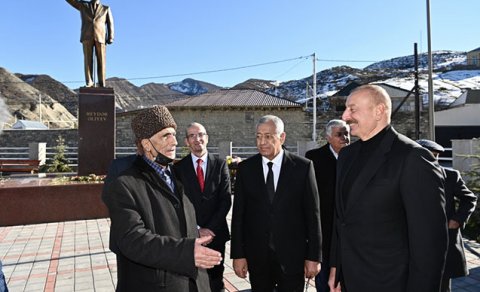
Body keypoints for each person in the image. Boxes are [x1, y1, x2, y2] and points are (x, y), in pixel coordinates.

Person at [328, 84, 448, 292]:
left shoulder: (412, 157)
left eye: (353, 109)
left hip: (392, 283)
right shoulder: (346, 156)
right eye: (346, 109)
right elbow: (341, 220)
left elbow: (430, 243)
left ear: (379, 111)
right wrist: (335, 269)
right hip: (349, 280)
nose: (346, 116)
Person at [102, 105, 221, 291]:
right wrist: (186, 252)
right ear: (147, 144)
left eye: (174, 134)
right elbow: (131, 239)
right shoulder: (123, 182)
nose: (174, 141)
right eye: (165, 136)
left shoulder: (177, 173)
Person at [231, 115, 322, 291]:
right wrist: (238, 255)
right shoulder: (246, 169)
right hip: (257, 257)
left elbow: (313, 215)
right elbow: (238, 216)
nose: (262, 142)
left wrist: (314, 257)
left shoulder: (303, 167)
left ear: (282, 137)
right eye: (258, 136)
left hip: (293, 257)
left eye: (268, 136)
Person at [174, 122, 232, 292]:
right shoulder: (178, 168)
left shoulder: (220, 164)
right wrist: (197, 229)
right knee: (193, 282)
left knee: (216, 282)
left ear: (206, 138)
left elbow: (225, 200)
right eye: (192, 136)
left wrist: (210, 229)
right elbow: (178, 203)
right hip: (191, 235)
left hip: (216, 235)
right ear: (186, 142)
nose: (197, 139)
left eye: (200, 134)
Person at [416, 139, 478, 292]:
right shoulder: (404, 177)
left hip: (444, 241)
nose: (433, 160)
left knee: (442, 284)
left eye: (436, 156)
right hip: (415, 242)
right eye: (428, 156)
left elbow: (469, 199)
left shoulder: (450, 176)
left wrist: (457, 220)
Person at [305, 119, 350, 292]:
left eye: (347, 133)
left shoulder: (357, 155)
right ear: (328, 137)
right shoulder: (314, 158)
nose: (345, 137)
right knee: (324, 280)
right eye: (340, 134)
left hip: (350, 230)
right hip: (324, 227)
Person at [66, 0, 114, 87]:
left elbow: (110, 23)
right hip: (87, 36)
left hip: (101, 37)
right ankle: (89, 82)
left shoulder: (105, 8)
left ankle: (101, 83)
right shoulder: (83, 5)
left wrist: (111, 37)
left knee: (101, 60)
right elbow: (72, 1)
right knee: (88, 60)